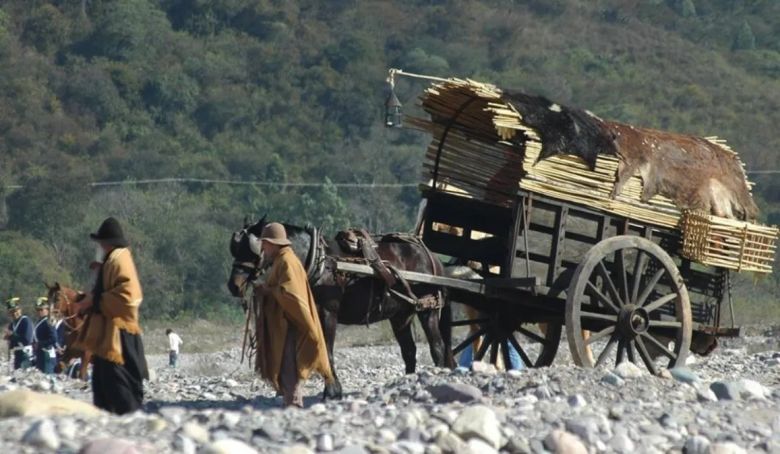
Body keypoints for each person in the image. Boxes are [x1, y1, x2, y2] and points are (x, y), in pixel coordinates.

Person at [73, 217, 149, 414]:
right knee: (104, 387)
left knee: (121, 388)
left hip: (120, 336)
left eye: (100, 242)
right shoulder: (112, 259)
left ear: (106, 242)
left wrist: (94, 301)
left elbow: (130, 295)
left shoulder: (119, 258)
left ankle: (129, 425)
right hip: (108, 337)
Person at [255, 222, 333, 408]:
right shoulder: (281, 260)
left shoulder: (287, 262)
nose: (263, 248)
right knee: (286, 370)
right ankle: (291, 404)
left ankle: (294, 406)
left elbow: (291, 295)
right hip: (285, 325)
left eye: (265, 244)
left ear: (274, 243)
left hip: (291, 326)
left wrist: (268, 291)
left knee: (290, 368)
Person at [3, 297, 33, 370]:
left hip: (25, 354)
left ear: (20, 310)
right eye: (12, 311)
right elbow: (11, 343)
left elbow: (27, 340)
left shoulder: (25, 321)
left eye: (16, 310)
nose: (14, 313)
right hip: (16, 355)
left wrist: (12, 335)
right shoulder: (11, 325)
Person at [33, 297, 57, 374]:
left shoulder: (48, 321)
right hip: (40, 354)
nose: (39, 312)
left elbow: (53, 339)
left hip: (47, 354)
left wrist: (39, 344)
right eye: (37, 310)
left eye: (41, 310)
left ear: (47, 310)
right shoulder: (40, 321)